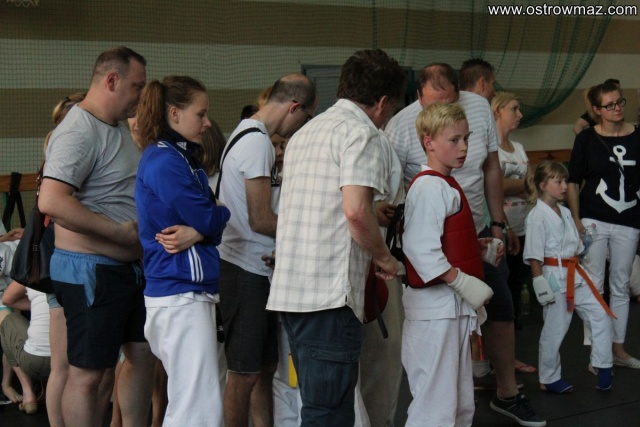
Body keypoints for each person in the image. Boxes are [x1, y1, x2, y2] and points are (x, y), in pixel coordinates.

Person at [267, 48, 406, 426]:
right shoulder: (362, 134)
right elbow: (356, 212)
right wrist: (384, 257)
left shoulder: (305, 132)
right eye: (391, 108)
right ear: (382, 103)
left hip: (292, 293)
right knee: (329, 412)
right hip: (328, 296)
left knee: (315, 406)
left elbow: (326, 206)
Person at [38, 46, 154, 427]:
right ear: (112, 81)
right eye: (137, 86)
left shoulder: (116, 127)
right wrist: (118, 232)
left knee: (141, 356)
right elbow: (51, 200)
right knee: (88, 375)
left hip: (125, 269)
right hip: (91, 270)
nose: (142, 95)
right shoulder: (78, 130)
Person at [217, 73, 317, 427]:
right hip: (245, 270)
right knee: (243, 373)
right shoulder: (257, 142)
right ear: (294, 108)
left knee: (265, 368)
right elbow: (260, 219)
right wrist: (311, 233)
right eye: (305, 117)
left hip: (257, 269)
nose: (302, 126)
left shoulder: (248, 135)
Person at [135, 75, 231, 427]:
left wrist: (203, 230)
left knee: (198, 402)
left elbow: (210, 221)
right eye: (200, 114)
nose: (207, 123)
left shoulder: (179, 157)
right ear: (174, 114)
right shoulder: (166, 161)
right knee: (197, 409)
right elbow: (212, 215)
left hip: (184, 294)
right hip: (180, 294)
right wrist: (211, 222)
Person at [402, 102, 497, 426]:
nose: (464, 147)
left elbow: (442, 241)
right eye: (454, 140)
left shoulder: (445, 183)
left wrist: (473, 249)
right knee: (436, 407)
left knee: (457, 404)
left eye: (466, 138)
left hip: (447, 309)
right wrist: (462, 281)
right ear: (428, 142)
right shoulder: (430, 187)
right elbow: (419, 249)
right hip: (435, 310)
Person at [567, 81, 640, 369]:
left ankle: (618, 349)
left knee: (620, 284)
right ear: (597, 110)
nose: (617, 108)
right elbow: (573, 182)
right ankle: (598, 353)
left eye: (620, 102)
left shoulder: (637, 136)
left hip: (629, 219)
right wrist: (576, 220)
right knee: (594, 285)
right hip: (593, 218)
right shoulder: (586, 139)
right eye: (609, 105)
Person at [523, 161, 614, 392]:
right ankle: (549, 378)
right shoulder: (536, 216)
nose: (565, 186)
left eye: (565, 181)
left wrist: (586, 241)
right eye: (559, 181)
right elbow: (534, 255)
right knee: (556, 328)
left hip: (575, 273)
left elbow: (576, 246)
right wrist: (539, 282)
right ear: (543, 185)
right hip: (553, 277)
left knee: (600, 314)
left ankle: (603, 365)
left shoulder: (565, 212)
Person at [39, 92, 87, 427]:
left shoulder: (55, 153)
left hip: (64, 262)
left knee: (67, 366)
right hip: (66, 260)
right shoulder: (65, 155)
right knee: (65, 366)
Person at [492, 91, 536, 372]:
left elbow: (531, 182)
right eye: (514, 109)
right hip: (502, 227)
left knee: (518, 283)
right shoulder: (491, 150)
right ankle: (499, 357)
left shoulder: (518, 147)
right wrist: (517, 185)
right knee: (503, 288)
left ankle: (512, 350)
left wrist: (512, 184)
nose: (519, 115)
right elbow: (496, 188)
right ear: (498, 111)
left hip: (523, 225)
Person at [0, 281, 51, 414]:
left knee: (8, 322)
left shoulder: (35, 272)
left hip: (37, 362)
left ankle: (28, 393)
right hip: (70, 364)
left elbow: (7, 298)